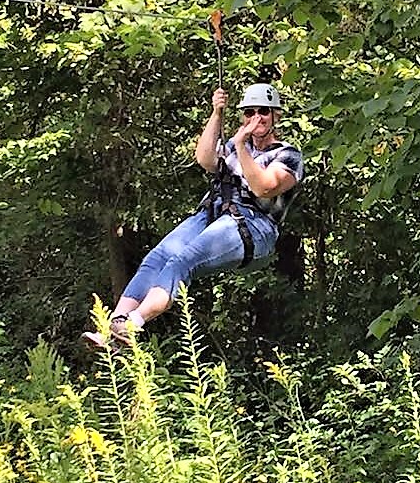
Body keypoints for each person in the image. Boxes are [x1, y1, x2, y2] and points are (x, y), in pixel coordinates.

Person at [83, 83, 304, 348]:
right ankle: (112, 329)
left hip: (254, 226)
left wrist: (241, 145)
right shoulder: (234, 146)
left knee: (182, 261)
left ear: (275, 115)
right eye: (249, 112)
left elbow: (264, 187)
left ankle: (133, 324)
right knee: (157, 259)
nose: (256, 118)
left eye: (263, 112)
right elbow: (205, 158)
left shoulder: (287, 155)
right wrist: (217, 113)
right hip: (215, 212)